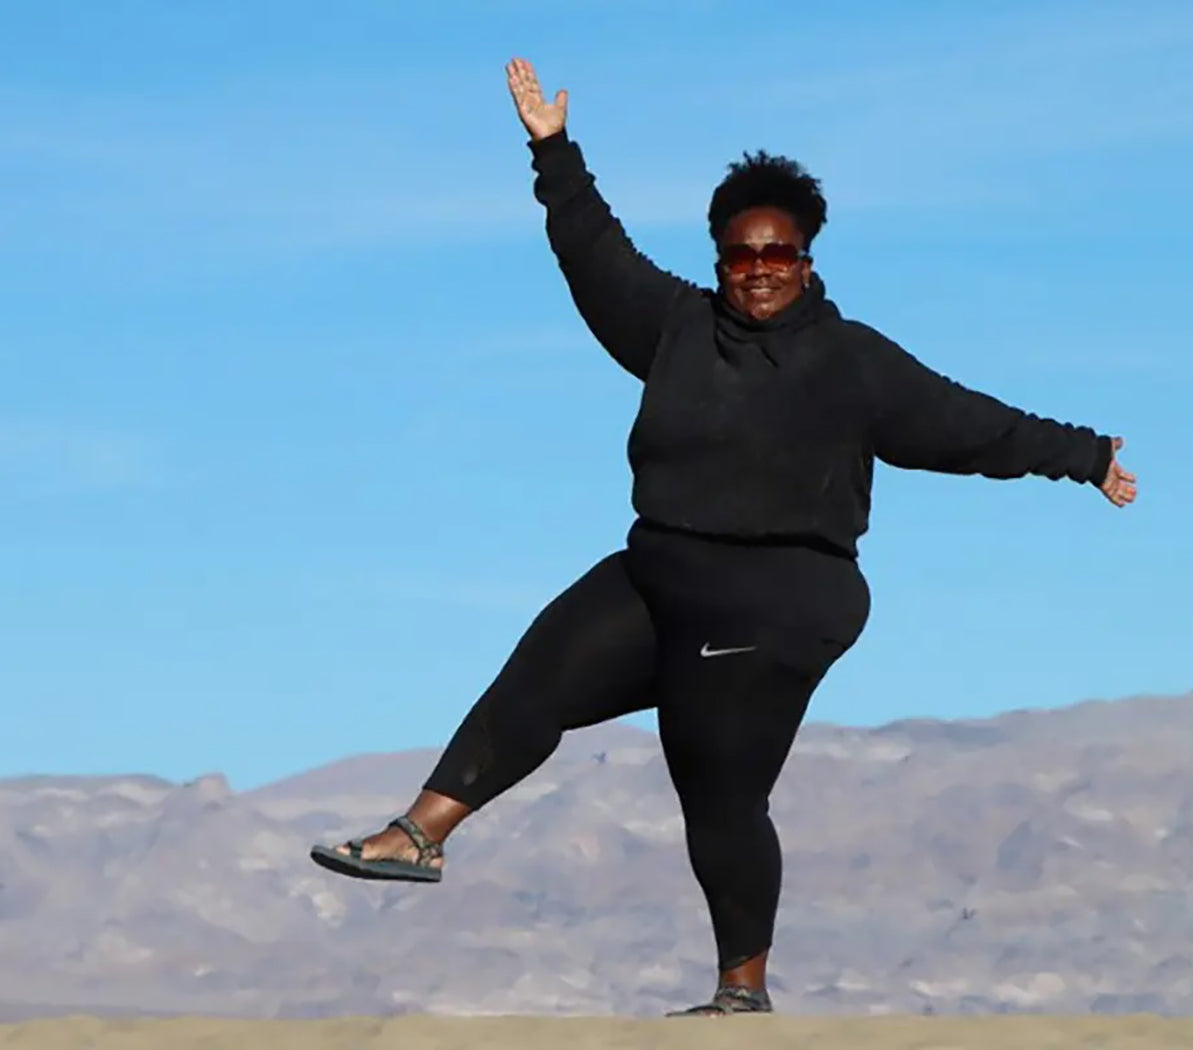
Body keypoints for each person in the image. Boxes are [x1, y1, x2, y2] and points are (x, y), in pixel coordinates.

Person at [309, 56, 1138, 1017]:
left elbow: (971, 425)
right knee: (542, 671)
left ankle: (742, 993)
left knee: (714, 784)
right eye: (741, 256)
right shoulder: (677, 329)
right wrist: (553, 151)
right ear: (719, 260)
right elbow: (594, 254)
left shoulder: (853, 363)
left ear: (807, 260)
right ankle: (420, 835)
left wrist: (1084, 455)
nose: (759, 271)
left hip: (781, 597)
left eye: (777, 254)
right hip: (663, 569)